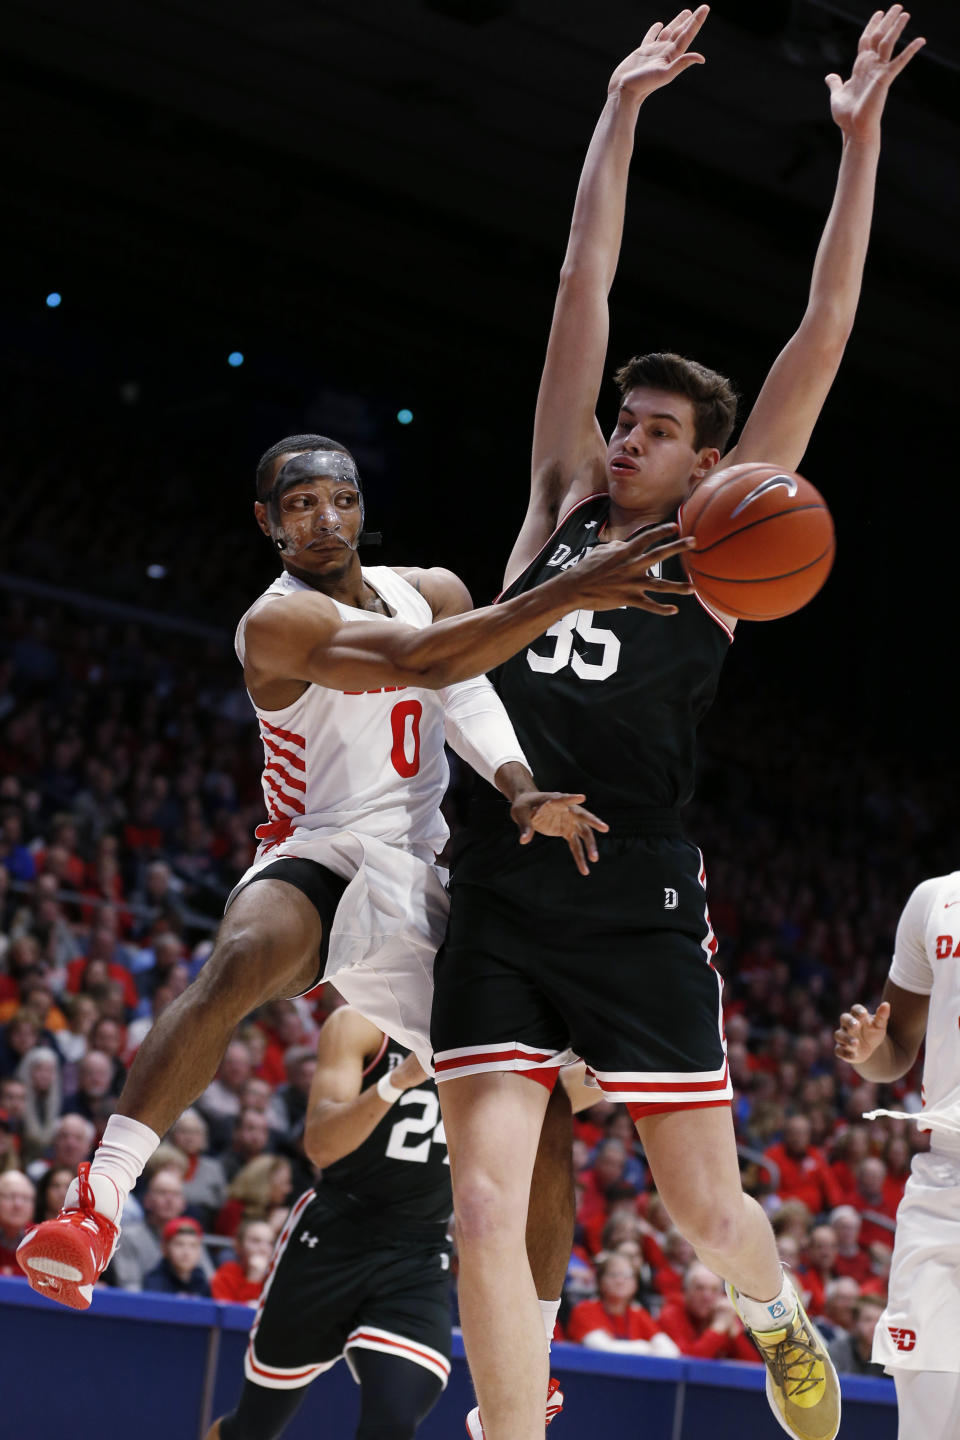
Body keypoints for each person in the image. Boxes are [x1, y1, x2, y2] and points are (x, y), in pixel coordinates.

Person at [429, 8, 923, 1440]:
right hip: (501, 883)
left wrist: (860, 143)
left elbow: (824, 329)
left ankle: (778, 1321)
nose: (629, 437)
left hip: (636, 891)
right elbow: (584, 273)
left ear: (713, 465)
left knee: (706, 1208)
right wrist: (621, 106)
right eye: (625, 421)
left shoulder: (721, 554)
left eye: (657, 429)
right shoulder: (555, 503)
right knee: (479, 1198)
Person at [17, 422, 687, 1312]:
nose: (326, 518)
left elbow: (464, 690)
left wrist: (520, 789)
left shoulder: (432, 588)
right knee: (242, 956)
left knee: (539, 1106)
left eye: (341, 499)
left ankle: (532, 1361)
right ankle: (96, 1205)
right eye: (301, 506)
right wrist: (567, 590)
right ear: (269, 523)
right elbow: (423, 660)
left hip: (427, 874)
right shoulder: (280, 620)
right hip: (320, 850)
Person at [206, 1006, 455, 1440]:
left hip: (419, 1249)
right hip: (335, 1234)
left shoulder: (491, 1037)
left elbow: (570, 1090)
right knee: (252, 1428)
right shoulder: (360, 1023)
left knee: (392, 1424)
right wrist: (398, 1080)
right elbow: (320, 1146)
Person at [834, 869, 960, 1437]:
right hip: (947, 1177)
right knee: (927, 1415)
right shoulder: (936, 899)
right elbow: (898, 1048)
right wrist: (869, 1052)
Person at [565, 1252, 679, 1355]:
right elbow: (602, 1348)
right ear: (600, 1281)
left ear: (636, 1284)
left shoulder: (638, 1314)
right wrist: (645, 1347)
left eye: (627, 1275)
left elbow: (671, 1351)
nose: (620, 1281)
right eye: (613, 1275)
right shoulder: (585, 1310)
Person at [142, 1215, 211, 1298]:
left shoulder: (201, 1279)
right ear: (164, 1249)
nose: (186, 1252)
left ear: (200, 1251)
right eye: (179, 1244)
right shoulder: (154, 1281)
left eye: (193, 1246)